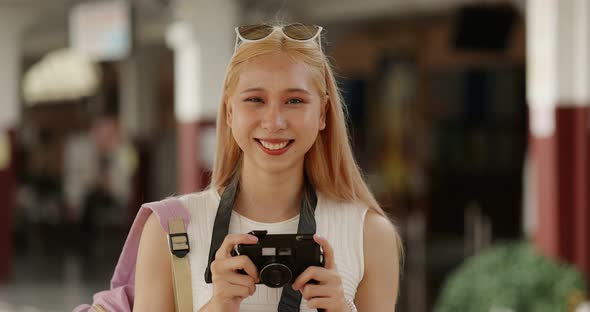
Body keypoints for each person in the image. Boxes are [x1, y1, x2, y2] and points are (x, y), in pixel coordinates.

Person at [133, 23, 401, 311]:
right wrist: (218, 305)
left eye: (295, 100)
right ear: (230, 111)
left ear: (323, 113)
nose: (274, 122)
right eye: (255, 100)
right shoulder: (170, 230)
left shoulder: (369, 234)